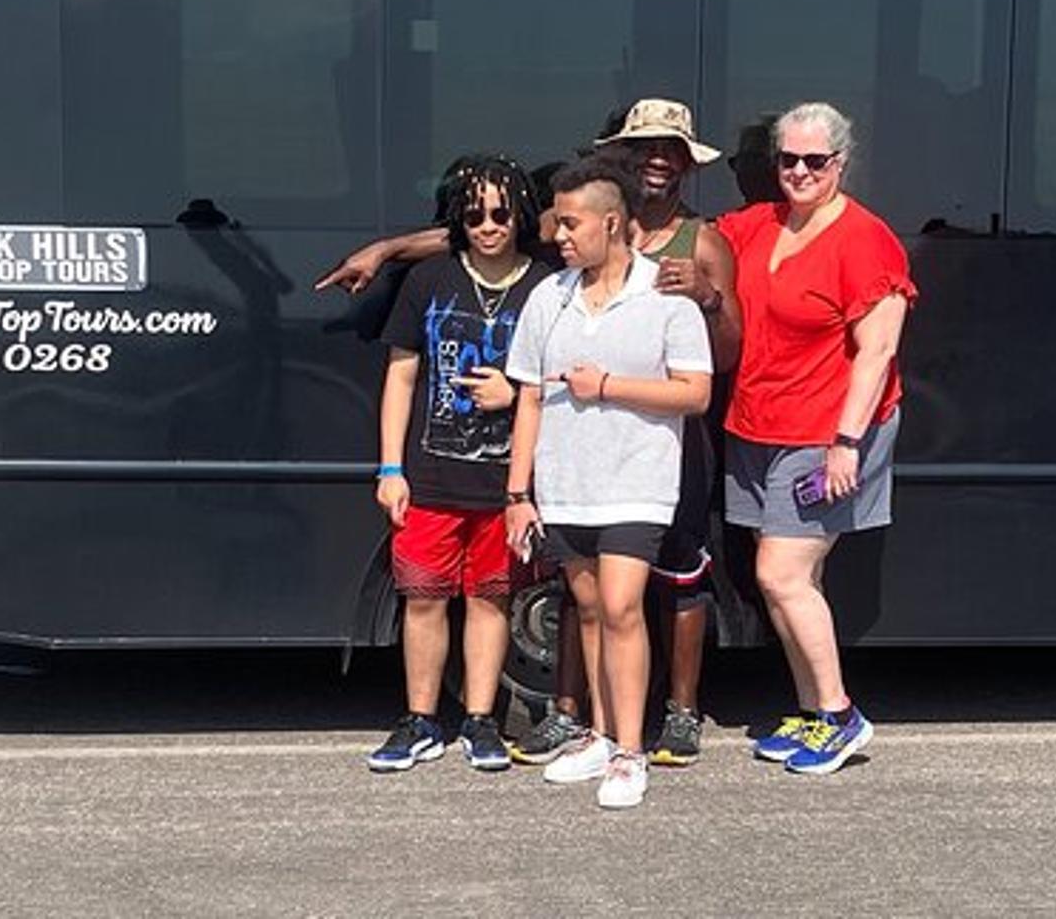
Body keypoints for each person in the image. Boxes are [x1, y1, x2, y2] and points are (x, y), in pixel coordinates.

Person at [314, 99, 741, 767]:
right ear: (618, 165)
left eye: (673, 149)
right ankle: (579, 719)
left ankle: (677, 712)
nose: (658, 159)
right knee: (585, 595)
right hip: (571, 463)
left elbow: (728, 347)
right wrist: (392, 246)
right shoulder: (569, 247)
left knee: (677, 576)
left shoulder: (701, 242)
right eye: (643, 147)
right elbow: (484, 232)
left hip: (655, 449)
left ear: (688, 163)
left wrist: (708, 298)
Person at [502, 157, 713, 809]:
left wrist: (609, 387)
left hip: (636, 483)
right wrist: (518, 494)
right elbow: (530, 397)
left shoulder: (665, 296)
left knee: (622, 608)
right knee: (589, 611)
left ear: (612, 222)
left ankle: (629, 751)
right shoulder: (549, 295)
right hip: (566, 485)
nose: (558, 234)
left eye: (570, 222)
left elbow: (695, 393)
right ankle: (596, 735)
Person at [715, 101, 914, 776]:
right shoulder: (756, 225)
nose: (799, 171)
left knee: (783, 571)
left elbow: (878, 347)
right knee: (789, 582)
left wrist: (846, 442)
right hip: (757, 424)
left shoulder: (865, 238)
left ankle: (840, 714)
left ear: (840, 163)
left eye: (814, 161)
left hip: (826, 429)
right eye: (788, 159)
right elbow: (671, 246)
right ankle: (808, 711)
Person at [365, 155, 551, 773]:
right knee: (423, 599)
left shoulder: (546, 286)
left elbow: (563, 378)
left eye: (501, 212)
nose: (488, 225)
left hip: (508, 482)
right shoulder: (431, 280)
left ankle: (479, 720)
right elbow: (401, 375)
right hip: (431, 475)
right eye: (473, 214)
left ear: (521, 212)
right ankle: (420, 719)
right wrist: (391, 469)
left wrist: (515, 390)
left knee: (491, 600)